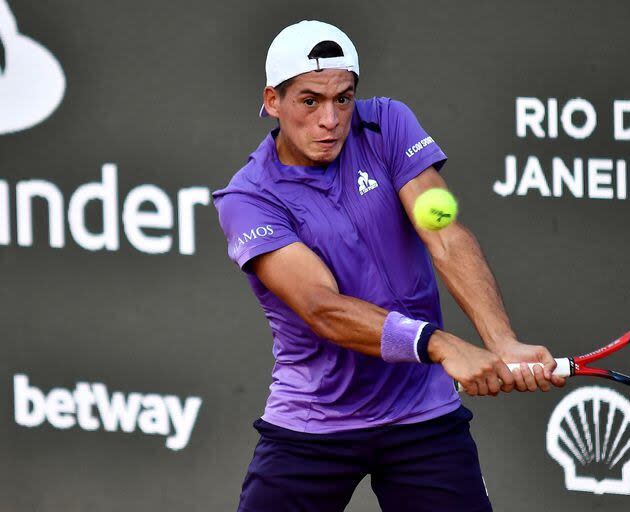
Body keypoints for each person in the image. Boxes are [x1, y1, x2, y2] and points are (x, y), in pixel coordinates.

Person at [213, 20, 565, 512]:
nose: (331, 119)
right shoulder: (248, 199)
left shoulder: (387, 126)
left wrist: (501, 339)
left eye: (343, 98)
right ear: (273, 102)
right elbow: (322, 307)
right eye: (310, 101)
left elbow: (442, 230)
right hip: (315, 420)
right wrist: (439, 344)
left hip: (420, 415)